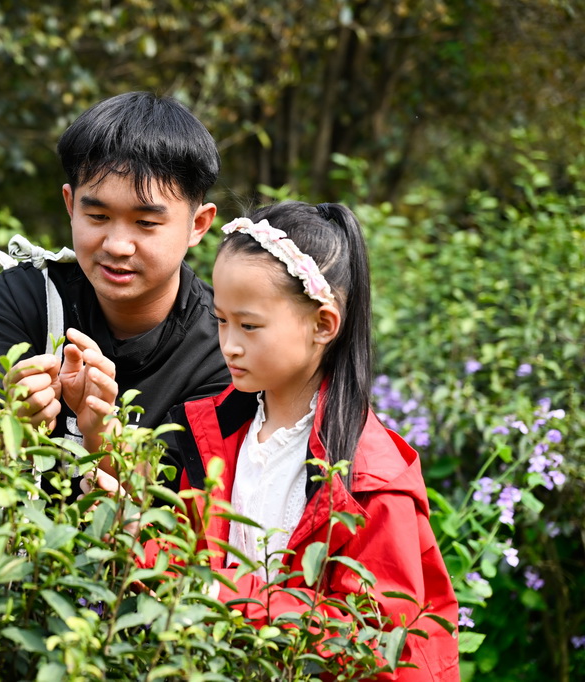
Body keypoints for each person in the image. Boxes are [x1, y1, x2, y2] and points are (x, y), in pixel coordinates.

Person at [145, 201, 459, 679]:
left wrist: (216, 592)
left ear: (323, 325)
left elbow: (374, 641)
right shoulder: (212, 432)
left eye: (249, 325)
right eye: (221, 320)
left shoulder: (370, 478)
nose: (228, 343)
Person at [0, 91, 230, 477]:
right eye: (98, 216)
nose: (117, 246)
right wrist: (11, 422)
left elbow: (187, 505)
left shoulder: (224, 345)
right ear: (71, 206)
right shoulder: (24, 299)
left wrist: (101, 434)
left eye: (146, 223)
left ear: (198, 224)